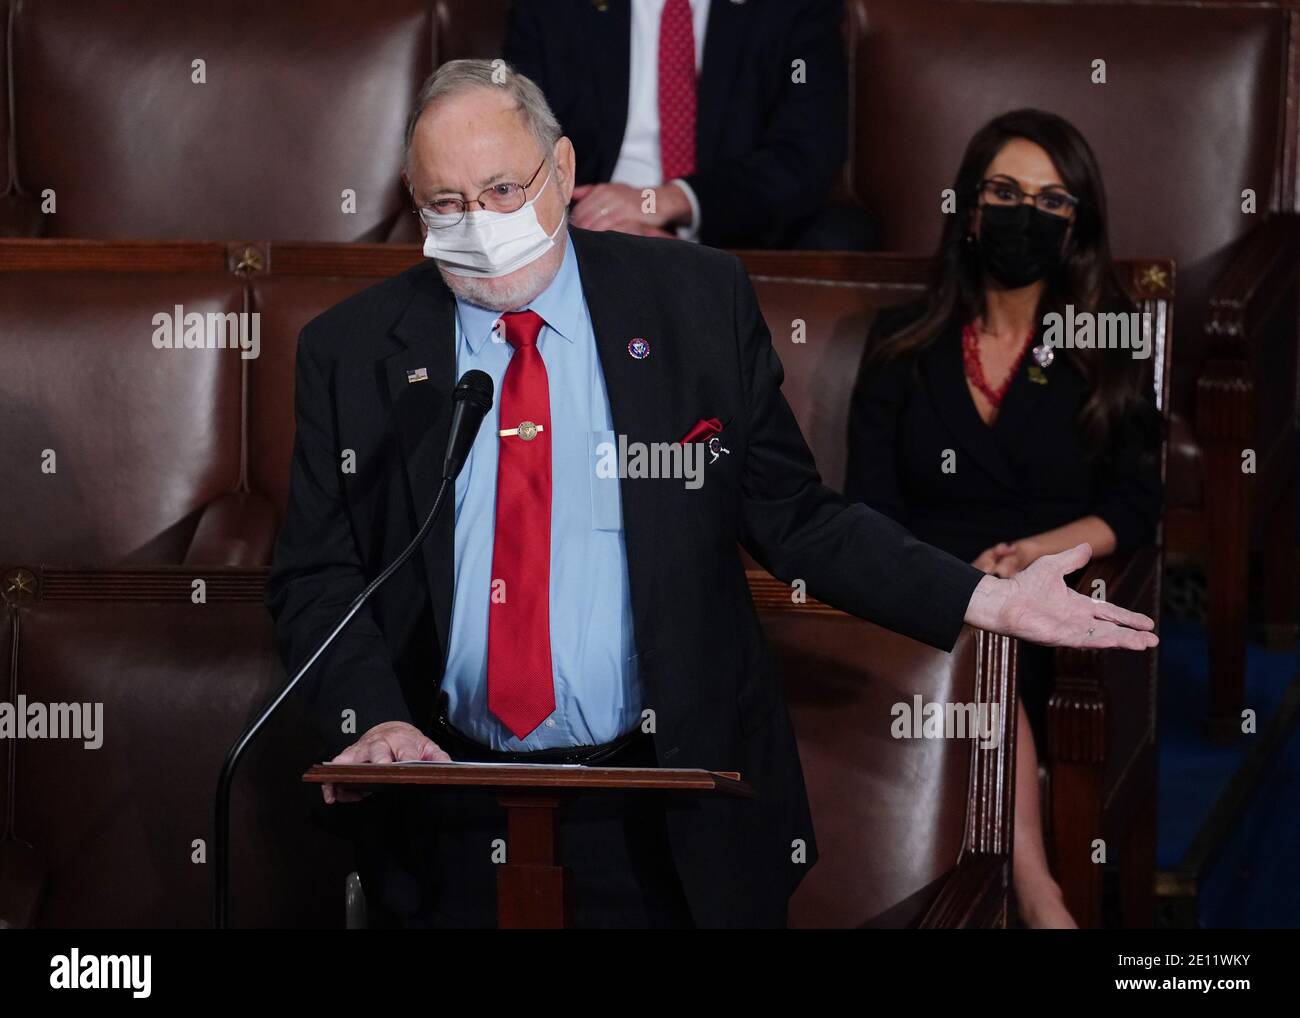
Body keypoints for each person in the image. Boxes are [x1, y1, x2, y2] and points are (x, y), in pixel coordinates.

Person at [266, 65, 1157, 929]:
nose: (479, 225)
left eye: (502, 191)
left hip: (666, 806)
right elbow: (318, 572)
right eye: (446, 205)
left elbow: (796, 516)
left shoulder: (692, 303)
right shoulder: (352, 353)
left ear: (564, 170)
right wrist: (373, 715)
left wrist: (983, 597)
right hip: (444, 805)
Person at [844, 109, 1163, 927]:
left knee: (1000, 626)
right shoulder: (898, 346)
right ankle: (1039, 894)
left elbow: (1135, 503)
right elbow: (869, 508)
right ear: (971, 209)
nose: (1028, 214)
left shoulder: (1107, 347)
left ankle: (1033, 892)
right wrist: (944, 586)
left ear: (1077, 227)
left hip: (1054, 600)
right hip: (919, 606)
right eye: (1007, 192)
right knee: (976, 624)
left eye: (1054, 201)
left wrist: (1034, 555)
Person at [502, 0, 873, 249]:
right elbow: (521, 141)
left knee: (842, 235)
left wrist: (674, 200)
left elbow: (807, 153)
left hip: (733, 223)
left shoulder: (794, 9)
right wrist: (590, 219)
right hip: (592, 223)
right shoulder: (552, 9)